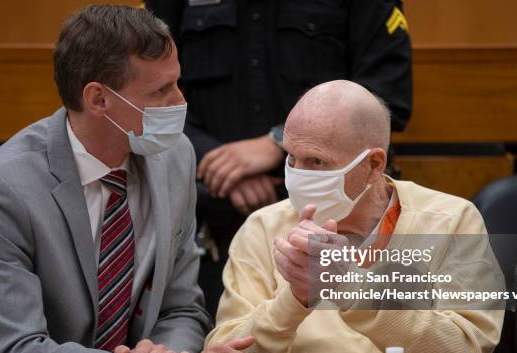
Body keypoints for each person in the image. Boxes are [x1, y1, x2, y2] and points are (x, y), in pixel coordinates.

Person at [0, 5, 252, 353]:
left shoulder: (175, 156)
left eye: (177, 83)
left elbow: (182, 310)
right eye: (161, 91)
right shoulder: (3, 185)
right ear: (98, 99)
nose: (180, 102)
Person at [206, 80, 504, 353]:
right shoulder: (265, 228)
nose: (298, 175)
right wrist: (295, 299)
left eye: (317, 162)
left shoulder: (452, 220)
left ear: (374, 164)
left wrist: (350, 285)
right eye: (291, 158)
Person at [147, 0, 413, 317]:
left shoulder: (450, 220)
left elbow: (384, 100)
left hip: (342, 216)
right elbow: (153, 94)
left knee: (347, 345)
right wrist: (221, 166)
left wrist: (278, 145)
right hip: (210, 219)